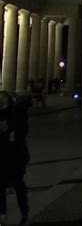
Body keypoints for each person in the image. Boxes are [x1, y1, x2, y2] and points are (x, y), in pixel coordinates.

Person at [0, 91, 30, 225]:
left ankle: (25, 213)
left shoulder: (16, 113)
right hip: (2, 157)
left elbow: (22, 132)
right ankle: (2, 213)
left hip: (15, 157)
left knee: (19, 186)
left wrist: (11, 131)